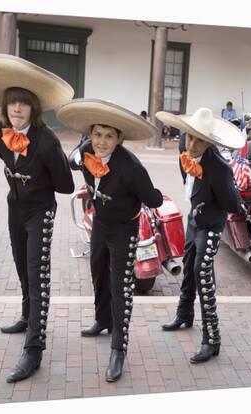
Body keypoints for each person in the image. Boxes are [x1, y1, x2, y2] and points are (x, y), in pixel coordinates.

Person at [0, 53, 75, 383]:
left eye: (23, 105)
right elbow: (6, 159)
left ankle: (34, 348)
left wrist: (43, 171)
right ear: (5, 108)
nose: (17, 110)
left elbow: (66, 185)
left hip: (41, 211)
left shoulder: (47, 141)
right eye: (12, 104)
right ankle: (28, 317)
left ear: (33, 109)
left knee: (37, 272)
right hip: (15, 207)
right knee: (20, 265)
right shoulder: (0, 130)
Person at [57, 99, 163, 382]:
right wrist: (80, 151)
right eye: (97, 135)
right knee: (97, 271)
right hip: (100, 223)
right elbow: (71, 160)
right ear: (90, 135)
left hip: (124, 229)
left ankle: (119, 348)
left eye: (109, 136)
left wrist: (153, 194)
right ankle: (102, 320)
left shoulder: (132, 167)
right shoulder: (87, 150)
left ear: (119, 139)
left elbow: (153, 199)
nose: (102, 142)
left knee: (121, 286)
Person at [156, 108, 244, 363]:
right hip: (194, 220)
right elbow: (191, 185)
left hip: (212, 225)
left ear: (210, 143)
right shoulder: (184, 156)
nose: (191, 144)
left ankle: (211, 339)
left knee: (203, 274)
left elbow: (233, 205)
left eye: (199, 140)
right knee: (188, 265)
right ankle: (184, 315)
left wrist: (213, 198)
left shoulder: (220, 169)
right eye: (189, 137)